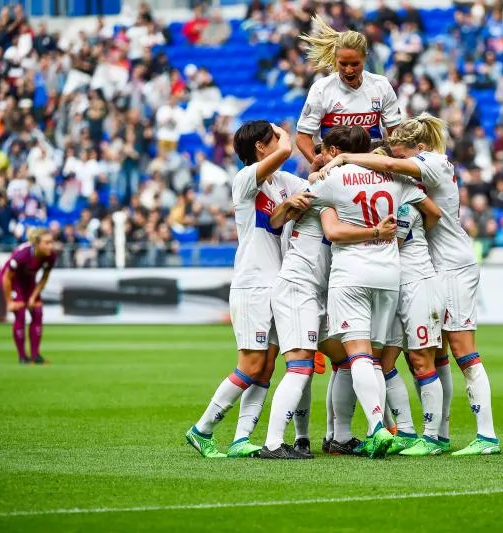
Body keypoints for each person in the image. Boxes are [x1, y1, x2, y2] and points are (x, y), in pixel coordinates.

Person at [320, 113, 500, 455]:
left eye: (401, 156)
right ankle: (433, 434)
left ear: (419, 148)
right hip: (425, 268)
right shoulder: (413, 172)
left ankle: (481, 435)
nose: (395, 164)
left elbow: (403, 178)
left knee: (461, 352)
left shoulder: (433, 162)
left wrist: (344, 158)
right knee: (430, 355)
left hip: (449, 267)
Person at [264, 127, 398, 459]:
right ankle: (276, 441)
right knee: (301, 366)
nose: (318, 156)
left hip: (324, 289)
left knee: (348, 360)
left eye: (324, 150)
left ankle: (339, 437)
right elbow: (279, 220)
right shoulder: (323, 185)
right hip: (300, 285)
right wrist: (286, 205)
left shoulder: (337, 184)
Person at [185, 121, 313, 459]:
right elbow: (286, 149)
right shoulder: (245, 180)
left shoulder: (277, 185)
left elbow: (312, 188)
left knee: (267, 366)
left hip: (275, 285)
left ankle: (242, 438)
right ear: (261, 146)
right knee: (251, 365)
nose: (279, 141)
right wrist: (287, 133)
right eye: (273, 138)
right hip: (252, 284)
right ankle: (203, 429)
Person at [314, 125, 441, 458]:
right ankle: (397, 429)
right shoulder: (397, 179)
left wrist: (324, 170)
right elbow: (429, 207)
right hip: (389, 276)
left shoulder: (336, 177)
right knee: (376, 359)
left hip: (352, 272)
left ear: (337, 149)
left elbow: (306, 196)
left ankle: (375, 427)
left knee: (356, 355)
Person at [380, 197, 446, 457]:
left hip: (418, 284)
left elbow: (391, 245)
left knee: (421, 361)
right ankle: (406, 431)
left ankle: (432, 437)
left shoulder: (404, 204)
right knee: (384, 362)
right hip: (394, 287)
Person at [296, 16, 402, 167]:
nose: (349, 70)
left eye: (355, 64)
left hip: (372, 162)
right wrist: (318, 163)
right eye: (343, 64)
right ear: (335, 59)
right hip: (335, 164)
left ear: (364, 58)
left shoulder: (381, 85)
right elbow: (302, 136)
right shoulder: (321, 89)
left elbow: (395, 132)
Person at [0, 228, 56, 365]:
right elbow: (7, 277)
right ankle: (22, 357)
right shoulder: (23, 255)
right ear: (36, 244)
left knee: (37, 311)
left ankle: (35, 355)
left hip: (29, 281)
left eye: (51, 242)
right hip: (13, 281)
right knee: (20, 313)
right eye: (47, 243)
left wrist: (33, 297)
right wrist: (9, 301)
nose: (51, 246)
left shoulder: (51, 256)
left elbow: (44, 277)